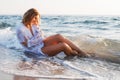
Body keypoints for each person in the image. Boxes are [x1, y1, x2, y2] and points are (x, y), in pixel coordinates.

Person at [16, 8, 88, 57]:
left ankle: (80, 51)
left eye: (37, 18)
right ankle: (75, 55)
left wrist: (39, 36)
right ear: (29, 16)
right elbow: (27, 45)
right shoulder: (20, 29)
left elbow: (40, 36)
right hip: (35, 50)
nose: (36, 20)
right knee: (63, 46)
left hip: (40, 44)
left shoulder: (33, 24)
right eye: (34, 18)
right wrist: (39, 37)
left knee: (58, 36)